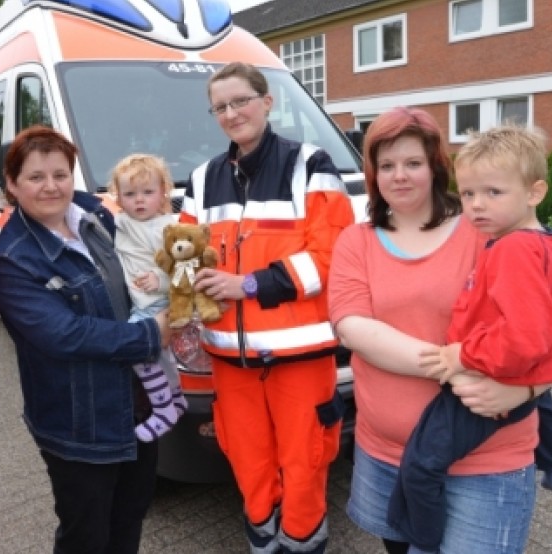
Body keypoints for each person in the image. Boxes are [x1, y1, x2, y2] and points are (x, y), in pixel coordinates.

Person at [328, 107, 552, 554]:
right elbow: (354, 327)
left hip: (486, 458)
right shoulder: (355, 241)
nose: (399, 176)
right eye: (386, 165)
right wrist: (453, 368)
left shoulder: (487, 226)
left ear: (435, 166)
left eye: (413, 163)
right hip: (387, 456)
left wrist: (528, 389)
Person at [179, 61, 354, 554]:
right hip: (228, 359)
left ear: (267, 102)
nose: (232, 113)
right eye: (221, 107)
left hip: (299, 355)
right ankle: (262, 535)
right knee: (247, 456)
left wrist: (249, 285)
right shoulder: (200, 177)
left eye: (241, 101)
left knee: (305, 458)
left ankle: (302, 540)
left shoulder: (312, 165)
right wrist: (179, 296)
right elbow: (184, 258)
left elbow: (329, 258)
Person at [387, 125, 552, 553]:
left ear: (535, 192)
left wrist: (461, 355)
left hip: (485, 380)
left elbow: (523, 340)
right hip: (528, 381)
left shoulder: (513, 250)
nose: (477, 206)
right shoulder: (551, 244)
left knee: (420, 464)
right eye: (469, 194)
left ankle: (421, 540)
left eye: (493, 193)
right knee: (542, 405)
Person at [0, 126, 171, 554]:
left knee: (128, 520)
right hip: (78, 424)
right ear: (12, 185)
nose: (51, 186)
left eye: (60, 174)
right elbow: (64, 335)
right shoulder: (11, 260)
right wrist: (151, 333)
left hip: (137, 407)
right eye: (35, 177)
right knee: (86, 535)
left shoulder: (98, 217)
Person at [109, 153, 187, 441]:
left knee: (135, 348)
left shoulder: (167, 227)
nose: (138, 200)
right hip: (143, 302)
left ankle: (163, 409)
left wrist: (161, 279)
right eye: (130, 194)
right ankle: (176, 399)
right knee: (162, 357)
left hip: (157, 302)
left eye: (147, 192)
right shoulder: (123, 222)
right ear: (118, 196)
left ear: (164, 191)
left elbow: (186, 267)